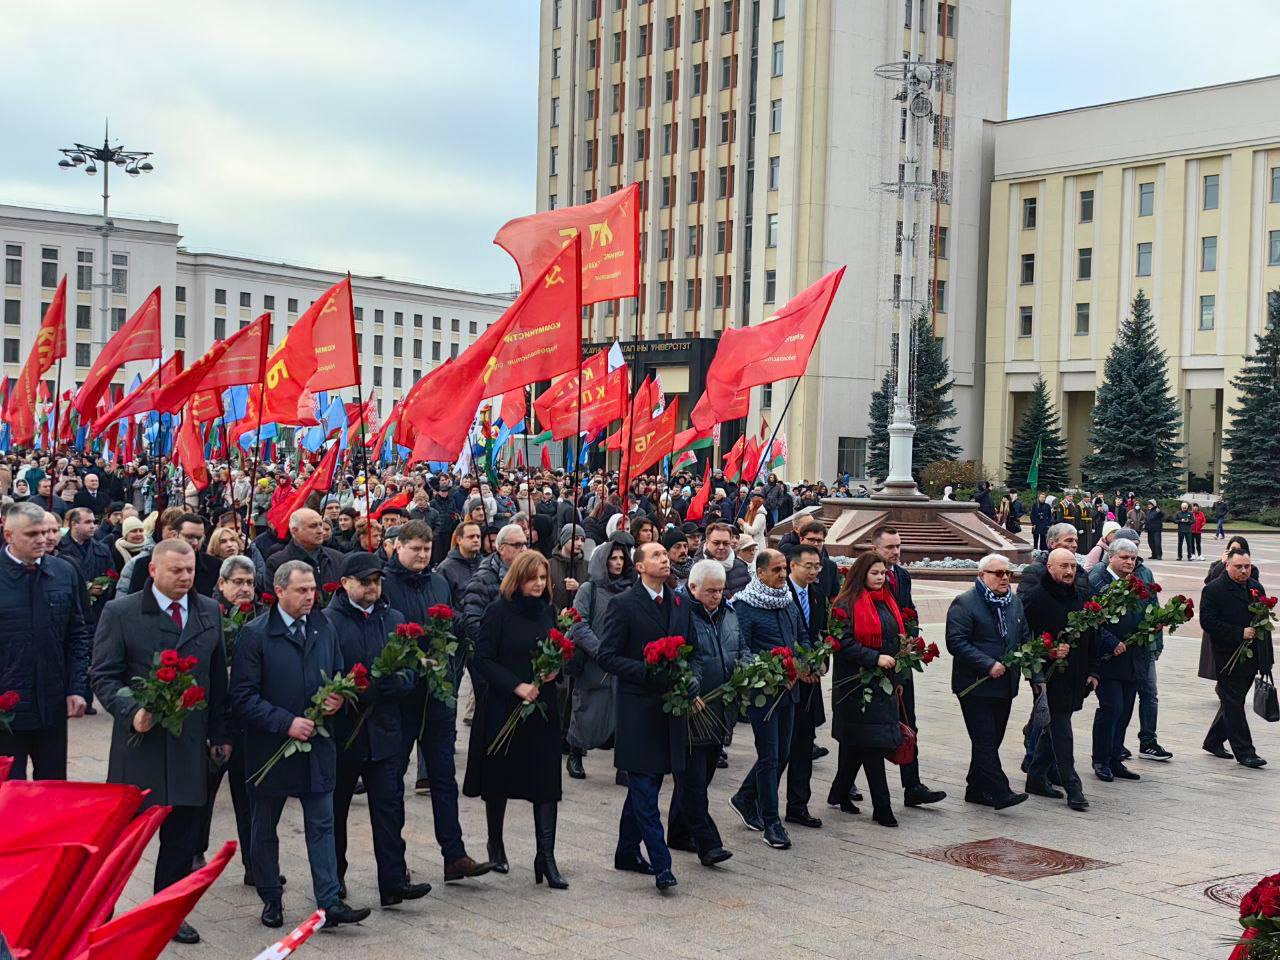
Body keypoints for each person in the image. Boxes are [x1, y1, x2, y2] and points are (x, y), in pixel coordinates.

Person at [90, 538, 230, 945]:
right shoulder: (122, 612)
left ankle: (167, 912)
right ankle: (99, 911)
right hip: (141, 746)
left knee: (181, 837)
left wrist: (221, 734)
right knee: (124, 839)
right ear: (153, 570)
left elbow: (216, 679)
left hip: (189, 744)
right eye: (176, 571)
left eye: (190, 571)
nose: (185, 577)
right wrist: (132, 710)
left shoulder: (208, 611)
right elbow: (103, 674)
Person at [229, 559, 372, 930]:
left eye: (312, 590)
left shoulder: (323, 627)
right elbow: (242, 697)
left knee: (322, 824)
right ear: (279, 591)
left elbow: (338, 673)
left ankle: (329, 900)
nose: (310, 597)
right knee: (264, 826)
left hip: (317, 745)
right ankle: (271, 897)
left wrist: (338, 699)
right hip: (271, 749)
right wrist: (285, 722)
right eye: (301, 590)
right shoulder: (256, 634)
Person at [383, 520, 493, 882]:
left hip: (438, 693)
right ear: (398, 547)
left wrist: (473, 627)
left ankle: (454, 855)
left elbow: (453, 619)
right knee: (392, 781)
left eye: (427, 549)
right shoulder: (384, 585)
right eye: (415, 548)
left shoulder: (438, 582)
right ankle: (394, 864)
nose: (421, 555)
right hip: (402, 695)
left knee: (443, 777)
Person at [464, 551, 568, 888]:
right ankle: (495, 843)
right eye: (532, 578)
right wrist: (515, 685)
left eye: (543, 578)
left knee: (547, 781)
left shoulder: (548, 610)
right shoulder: (498, 611)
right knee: (499, 779)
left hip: (542, 707)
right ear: (517, 579)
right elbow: (482, 659)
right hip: (505, 706)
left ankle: (546, 856)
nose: (538, 584)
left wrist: (555, 670)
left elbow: (557, 651)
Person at [597, 541, 692, 892]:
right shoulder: (623, 604)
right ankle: (662, 864)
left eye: (665, 555)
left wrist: (689, 678)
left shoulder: (679, 602)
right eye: (656, 555)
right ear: (639, 567)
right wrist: (645, 671)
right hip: (638, 708)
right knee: (645, 786)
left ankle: (626, 851)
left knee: (646, 784)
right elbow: (606, 655)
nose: (665, 559)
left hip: (669, 708)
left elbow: (691, 648)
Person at [0, 502, 92, 780]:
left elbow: (78, 634)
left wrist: (77, 688)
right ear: (8, 535)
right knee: (8, 794)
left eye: (46, 532)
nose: (42, 539)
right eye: (32, 534)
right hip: (6, 711)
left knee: (53, 791)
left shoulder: (64, 572)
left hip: (52, 705)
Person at [728, 549, 807, 850]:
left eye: (784, 569)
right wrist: (771, 672)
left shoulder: (787, 600)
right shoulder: (745, 605)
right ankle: (771, 822)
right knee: (769, 756)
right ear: (759, 573)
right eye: (776, 570)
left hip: (789, 690)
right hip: (764, 694)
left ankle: (745, 797)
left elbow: (801, 637)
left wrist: (805, 662)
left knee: (783, 753)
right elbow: (742, 650)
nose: (783, 575)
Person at [945, 553, 1035, 810]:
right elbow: (956, 642)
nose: (1005, 578)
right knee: (984, 740)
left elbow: (1024, 637)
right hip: (975, 685)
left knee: (991, 740)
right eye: (998, 573)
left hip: (1005, 686)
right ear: (982, 576)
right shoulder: (965, 603)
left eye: (1008, 573)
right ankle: (1000, 791)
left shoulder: (1014, 602)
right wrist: (987, 663)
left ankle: (975, 788)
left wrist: (1032, 670)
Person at [826, 552, 907, 826]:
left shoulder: (887, 600)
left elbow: (895, 639)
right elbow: (843, 643)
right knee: (872, 745)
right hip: (856, 686)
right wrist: (874, 658)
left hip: (883, 684)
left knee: (858, 745)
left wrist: (898, 677)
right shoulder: (845, 604)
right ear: (862, 574)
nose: (880, 578)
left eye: (883, 573)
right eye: (875, 573)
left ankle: (839, 793)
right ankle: (882, 807)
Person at [667, 559, 740, 866]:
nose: (717, 596)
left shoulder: (729, 613)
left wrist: (745, 670)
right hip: (691, 708)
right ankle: (708, 844)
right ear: (693, 587)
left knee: (703, 774)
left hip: (720, 707)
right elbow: (677, 658)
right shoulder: (679, 613)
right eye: (711, 591)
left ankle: (677, 831)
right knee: (693, 781)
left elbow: (740, 647)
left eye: (721, 590)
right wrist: (688, 688)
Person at [196, 555, 260, 885]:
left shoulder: (260, 616)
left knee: (249, 798)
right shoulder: (207, 615)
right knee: (204, 793)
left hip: (248, 722)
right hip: (216, 721)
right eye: (238, 582)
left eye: (250, 583)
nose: (244, 588)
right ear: (222, 584)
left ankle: (254, 863)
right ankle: (196, 852)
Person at [1017, 547, 1094, 811]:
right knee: (1062, 729)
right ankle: (1073, 786)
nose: (1070, 571)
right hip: (1049, 676)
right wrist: (1046, 652)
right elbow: (1023, 637)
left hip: (1076, 674)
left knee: (1056, 725)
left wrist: (1094, 672)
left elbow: (1092, 635)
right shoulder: (1036, 598)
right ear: (1050, 568)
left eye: (1073, 566)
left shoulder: (1081, 595)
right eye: (1064, 566)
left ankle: (1036, 775)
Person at [565, 538, 633, 780]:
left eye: (621, 558)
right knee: (586, 710)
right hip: (593, 661)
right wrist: (600, 651)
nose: (618, 563)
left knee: (623, 715)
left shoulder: (630, 589)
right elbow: (578, 624)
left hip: (620, 662)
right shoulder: (589, 589)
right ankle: (575, 753)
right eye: (613, 558)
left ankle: (623, 765)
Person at [1085, 539, 1148, 783]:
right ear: (1111, 557)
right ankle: (1100, 760)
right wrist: (1111, 641)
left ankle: (1115, 758)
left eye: (1133, 558)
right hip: (1107, 659)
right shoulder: (1097, 581)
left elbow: (1142, 610)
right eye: (1124, 557)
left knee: (1125, 710)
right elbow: (1091, 619)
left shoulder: (1134, 582)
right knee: (1111, 708)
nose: (1130, 562)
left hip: (1131, 657)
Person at [1200, 549, 1270, 768]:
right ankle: (1245, 752)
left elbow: (1263, 621)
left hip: (1251, 655)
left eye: (1247, 566)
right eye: (1239, 566)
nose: (1244, 571)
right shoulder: (1214, 589)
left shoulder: (1255, 587)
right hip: (1227, 657)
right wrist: (1239, 632)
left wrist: (1266, 659)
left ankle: (1213, 740)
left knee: (1234, 701)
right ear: (1227, 565)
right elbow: (1208, 622)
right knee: (1233, 702)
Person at [780, 543, 827, 828]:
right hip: (787, 682)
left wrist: (821, 663)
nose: (813, 572)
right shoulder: (781, 593)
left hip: (811, 684)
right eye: (808, 566)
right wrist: (798, 667)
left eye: (817, 566)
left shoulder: (817, 595)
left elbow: (821, 634)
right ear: (793, 565)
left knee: (803, 746)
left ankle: (798, 805)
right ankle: (752, 799)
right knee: (780, 750)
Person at [57, 506, 116, 624]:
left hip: (96, 614)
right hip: (70, 614)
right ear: (74, 524)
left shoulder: (102, 549)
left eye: (94, 522)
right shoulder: (58, 548)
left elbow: (113, 575)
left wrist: (104, 588)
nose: (93, 526)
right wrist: (85, 590)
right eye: (88, 522)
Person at [265, 507, 346, 589]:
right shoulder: (277, 563)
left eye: (320, 525)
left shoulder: (338, 558)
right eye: (313, 526)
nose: (320, 531)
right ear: (294, 531)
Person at [1018, 523, 1079, 590]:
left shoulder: (1081, 572)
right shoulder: (1034, 572)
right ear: (1052, 543)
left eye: (1076, 541)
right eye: (1069, 541)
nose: (1075, 545)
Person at [435, 519, 483, 600]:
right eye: (471, 536)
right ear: (459, 540)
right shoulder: (446, 569)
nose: (476, 540)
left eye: (478, 536)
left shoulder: (485, 564)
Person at [701, 522, 750, 600]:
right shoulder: (698, 568)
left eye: (726, 543)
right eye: (716, 543)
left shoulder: (741, 566)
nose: (721, 547)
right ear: (707, 542)